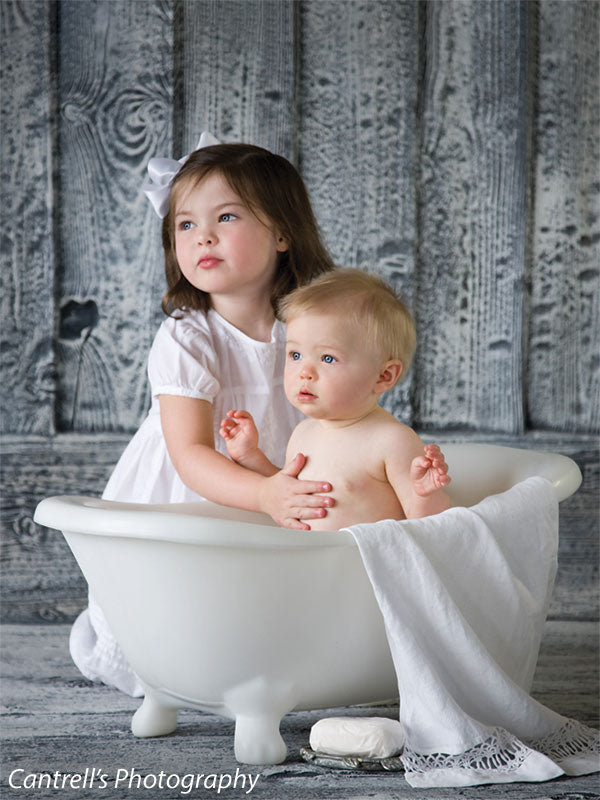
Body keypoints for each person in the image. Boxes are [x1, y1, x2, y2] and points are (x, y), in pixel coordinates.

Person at [70, 134, 338, 695]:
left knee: (289, 584)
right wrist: (264, 494)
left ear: (283, 233)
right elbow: (190, 454)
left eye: (226, 217)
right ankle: (190, 664)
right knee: (202, 590)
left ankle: (288, 658)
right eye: (185, 225)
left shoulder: (310, 324)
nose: (203, 236)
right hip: (193, 488)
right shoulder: (189, 337)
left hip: (282, 470)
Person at [220, 269, 451, 530]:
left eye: (328, 358)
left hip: (356, 568)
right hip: (306, 563)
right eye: (295, 355)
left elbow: (433, 531)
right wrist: (250, 456)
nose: (304, 372)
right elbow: (289, 493)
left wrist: (425, 494)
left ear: (384, 376)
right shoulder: (303, 432)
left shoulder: (391, 441)